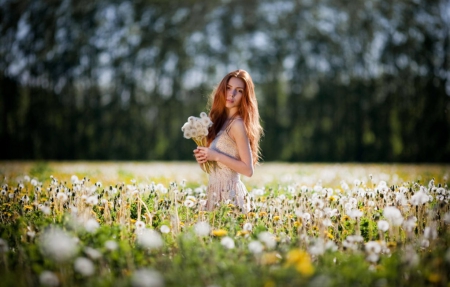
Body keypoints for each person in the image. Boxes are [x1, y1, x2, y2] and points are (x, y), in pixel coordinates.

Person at [193, 69, 263, 212]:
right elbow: (216, 169)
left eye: (239, 91)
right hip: (214, 193)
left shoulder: (237, 125)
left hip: (231, 197)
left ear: (245, 96)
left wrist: (216, 155)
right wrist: (203, 158)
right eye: (228, 88)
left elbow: (248, 170)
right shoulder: (220, 122)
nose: (232, 94)